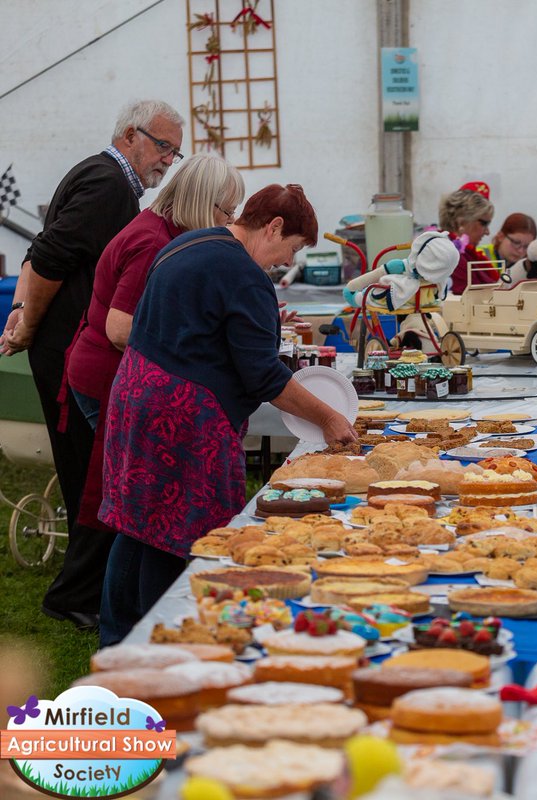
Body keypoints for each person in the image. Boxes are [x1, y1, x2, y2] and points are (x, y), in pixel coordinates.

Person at [98, 184, 357, 645]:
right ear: (273, 226)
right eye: (291, 248)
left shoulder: (190, 242)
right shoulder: (243, 274)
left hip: (135, 392)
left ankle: (118, 637)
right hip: (181, 416)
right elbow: (264, 376)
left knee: (135, 522)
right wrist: (329, 417)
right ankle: (166, 635)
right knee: (174, 532)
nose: (284, 262)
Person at [0, 99, 184, 630]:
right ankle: (74, 595)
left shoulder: (98, 173)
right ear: (131, 135)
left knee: (89, 470)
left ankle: (83, 586)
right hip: (69, 349)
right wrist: (29, 323)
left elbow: (41, 251)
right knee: (91, 475)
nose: (168, 161)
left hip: (65, 344)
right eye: (163, 147)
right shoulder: (109, 184)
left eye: (174, 152)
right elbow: (50, 257)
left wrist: (19, 312)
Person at [65, 154, 244, 559]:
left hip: (115, 374)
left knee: (129, 495)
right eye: (226, 210)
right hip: (106, 375)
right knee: (129, 496)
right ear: (202, 201)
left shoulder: (163, 230)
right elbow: (119, 327)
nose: (229, 220)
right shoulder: (154, 243)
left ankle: (108, 593)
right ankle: (95, 594)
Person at [477, 213, 537, 287]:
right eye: (516, 243)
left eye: (526, 246)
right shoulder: (479, 255)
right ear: (501, 236)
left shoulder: (530, 266)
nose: (520, 251)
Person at [440, 182, 496, 293]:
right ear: (462, 221)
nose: (487, 232)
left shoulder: (464, 255)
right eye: (484, 223)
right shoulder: (450, 256)